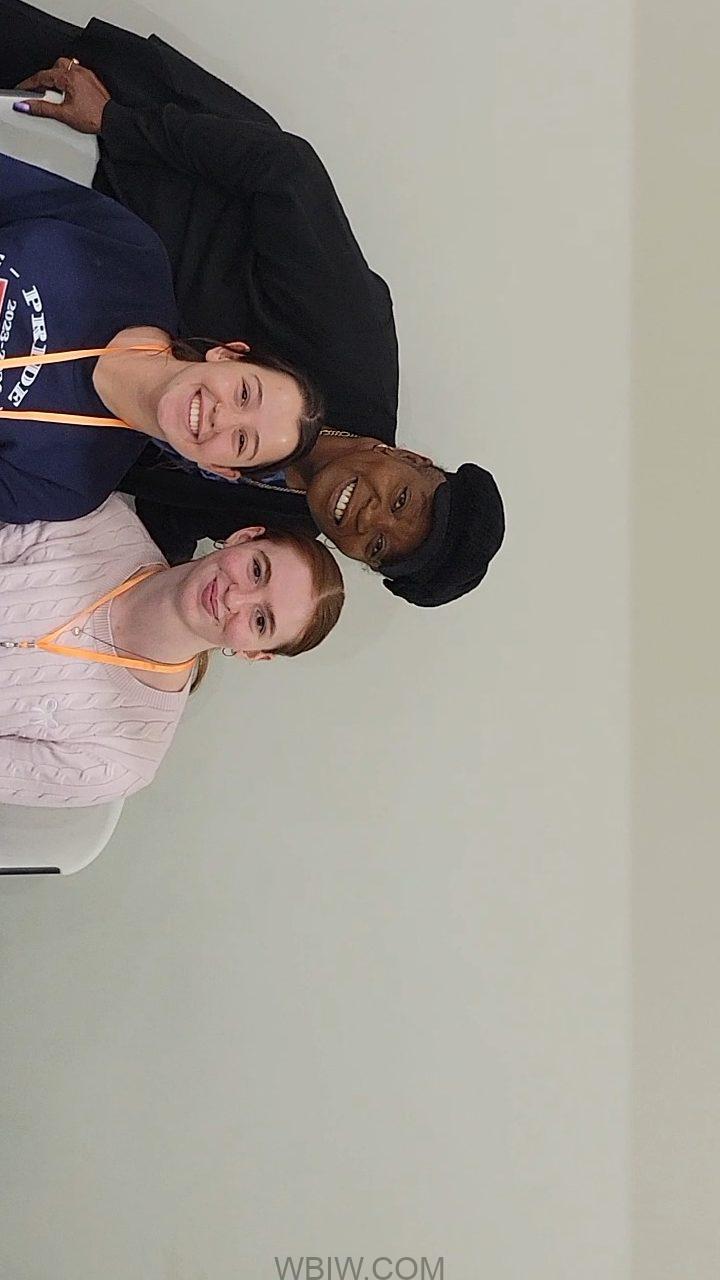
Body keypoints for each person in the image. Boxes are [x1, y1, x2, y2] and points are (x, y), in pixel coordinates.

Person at [3, 4, 506, 607]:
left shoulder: (285, 530)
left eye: (378, 546)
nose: (370, 516)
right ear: (411, 458)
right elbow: (286, 171)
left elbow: (169, 512)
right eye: (401, 500)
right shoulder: (353, 350)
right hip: (123, 170)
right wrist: (117, 121)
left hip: (51, 381)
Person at [0, 151, 323, 522]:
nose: (221, 416)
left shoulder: (70, 486)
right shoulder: (132, 255)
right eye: (244, 394)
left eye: (241, 441)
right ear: (228, 354)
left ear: (219, 469)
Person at [0, 493, 345, 808]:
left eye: (260, 621)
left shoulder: (120, 760)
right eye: (256, 570)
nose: (235, 598)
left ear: (254, 653)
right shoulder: (96, 520)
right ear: (243, 538)